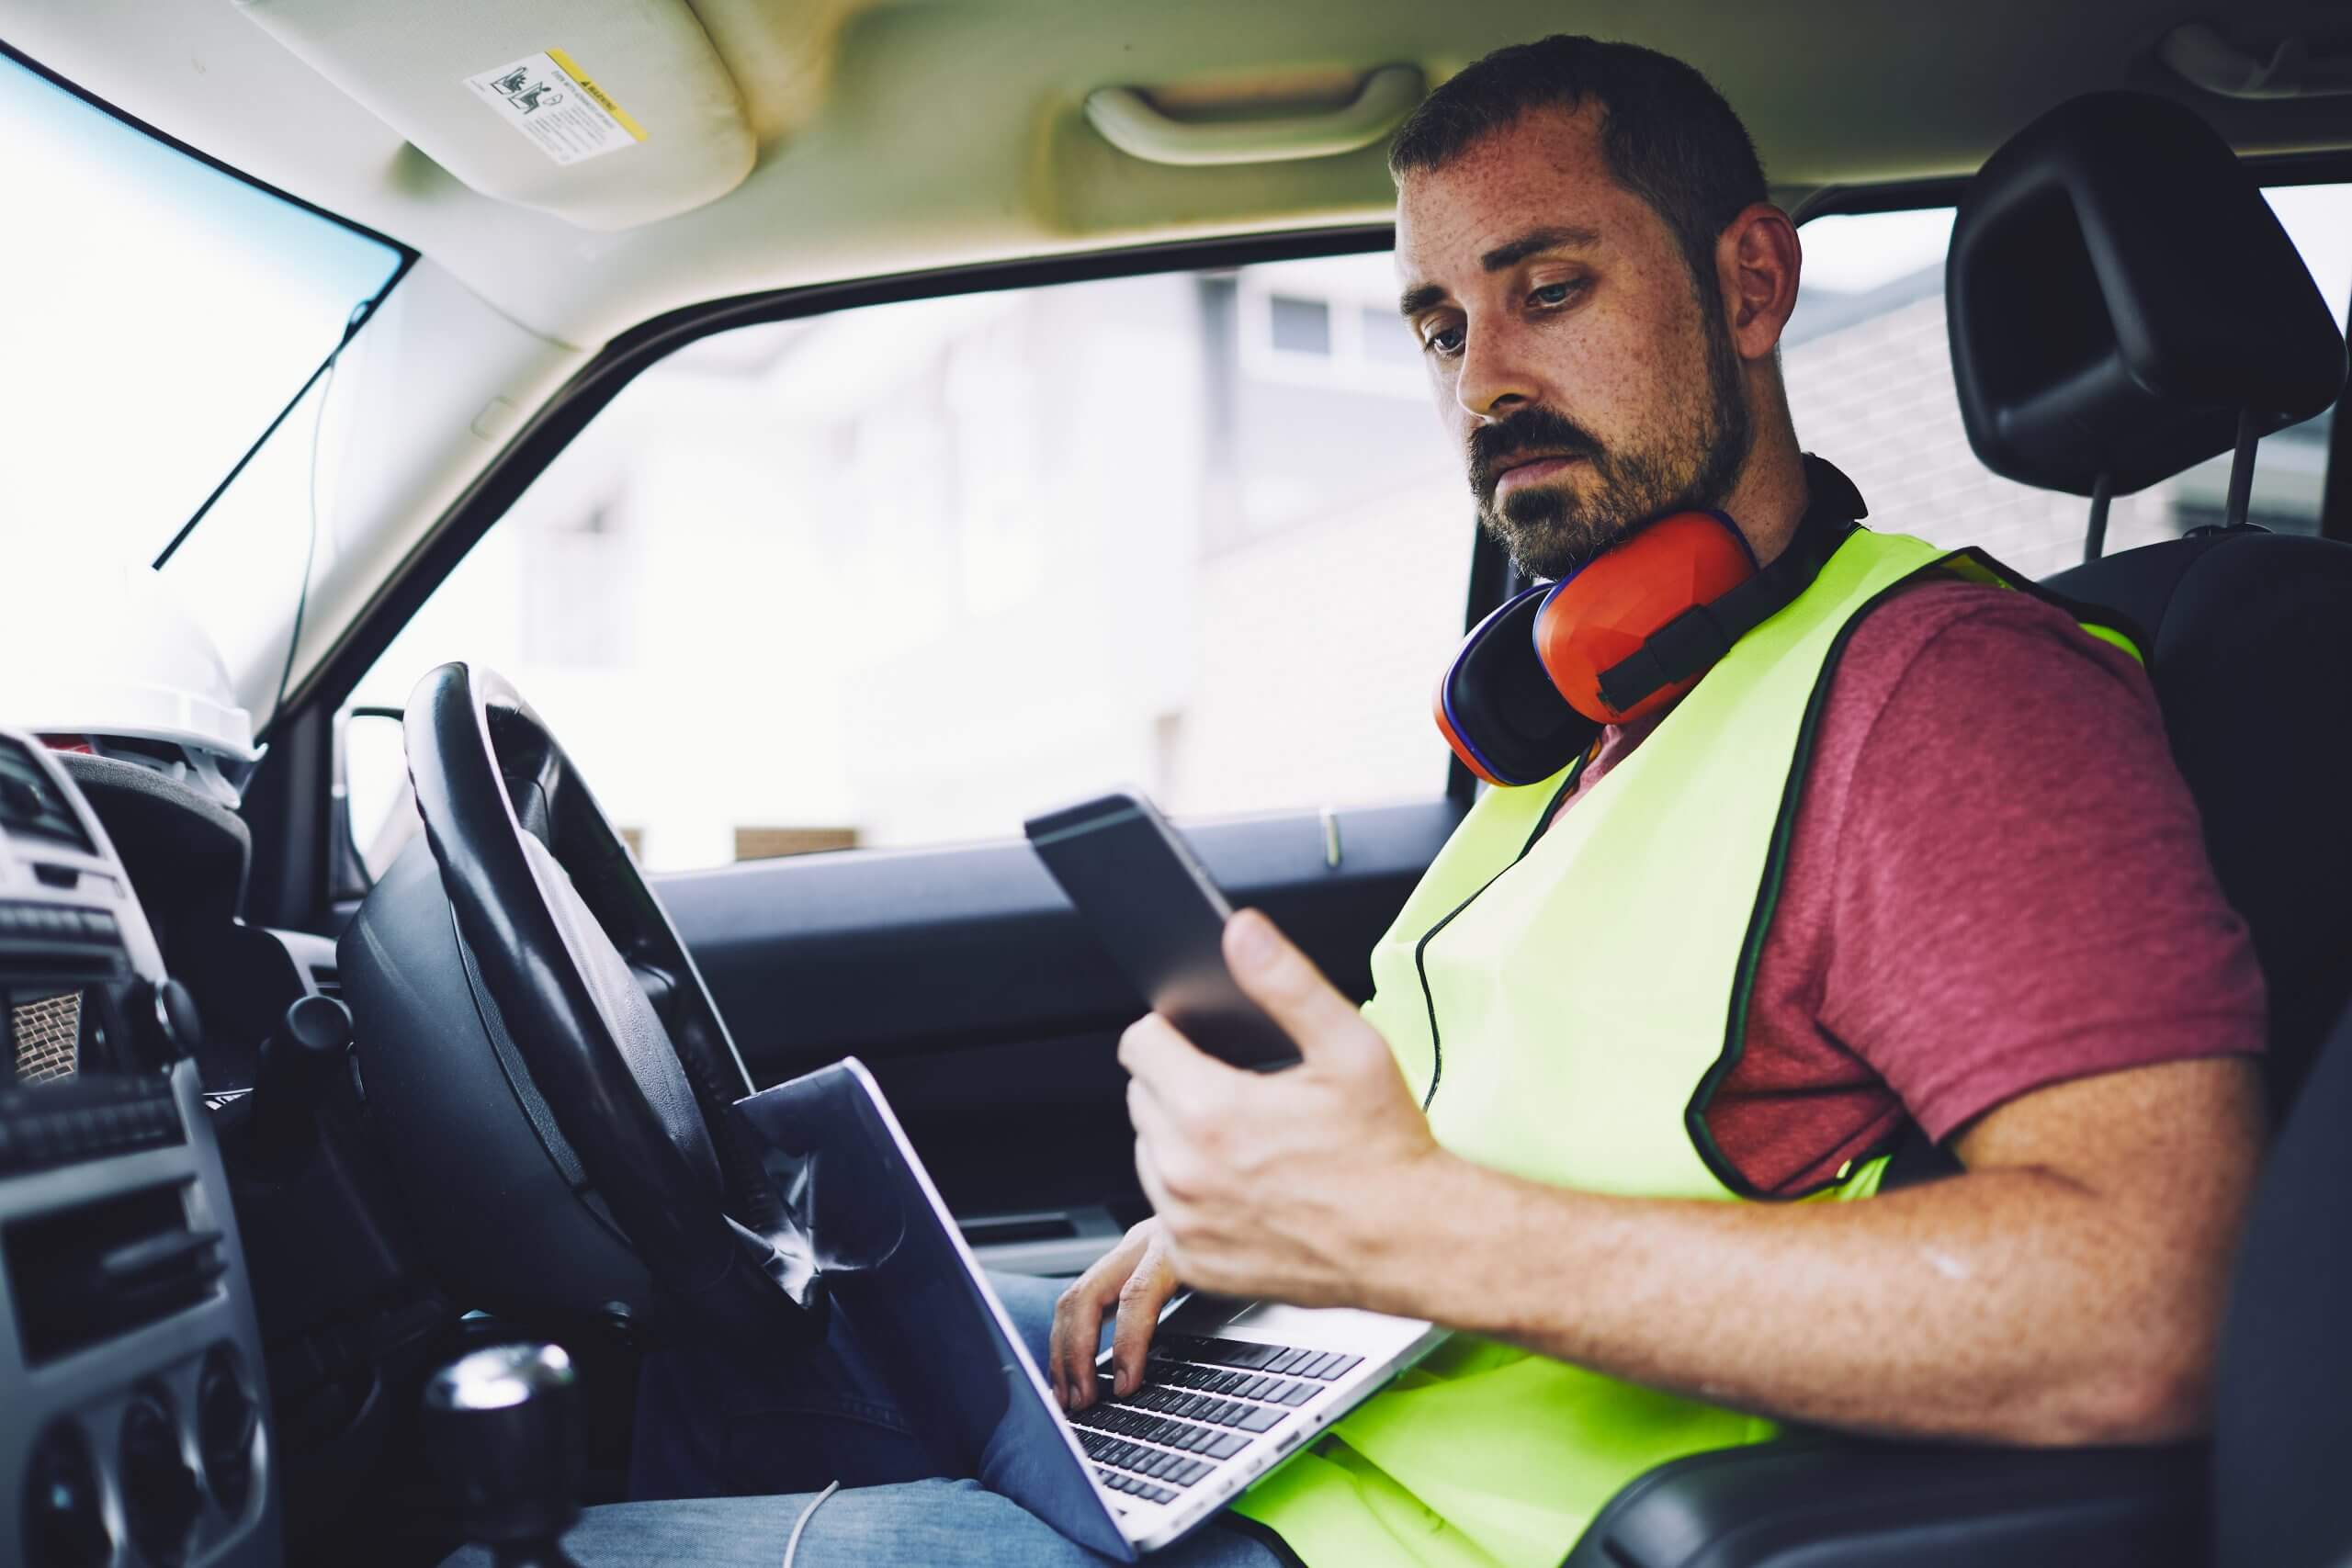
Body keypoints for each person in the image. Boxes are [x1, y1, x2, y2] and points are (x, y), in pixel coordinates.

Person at [461, 33, 2267, 1568]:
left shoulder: (1947, 694)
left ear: (1748, 283)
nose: (1481, 379)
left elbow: (2150, 1305)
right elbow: (1491, 1114)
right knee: (735, 1332)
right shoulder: (1585, 717)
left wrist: (1412, 1236)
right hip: (1298, 1433)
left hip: (1432, 1533)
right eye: (1431, 322)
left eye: (1546, 289)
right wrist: (1263, 1232)